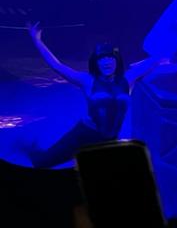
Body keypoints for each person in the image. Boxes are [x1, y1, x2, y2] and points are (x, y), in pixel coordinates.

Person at [25, 24, 164, 168]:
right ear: (96, 63)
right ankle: (32, 151)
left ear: (116, 60)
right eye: (102, 59)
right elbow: (57, 66)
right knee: (42, 163)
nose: (107, 62)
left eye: (110, 57)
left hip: (110, 140)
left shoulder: (128, 79)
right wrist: (37, 40)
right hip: (83, 136)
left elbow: (155, 60)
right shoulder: (87, 80)